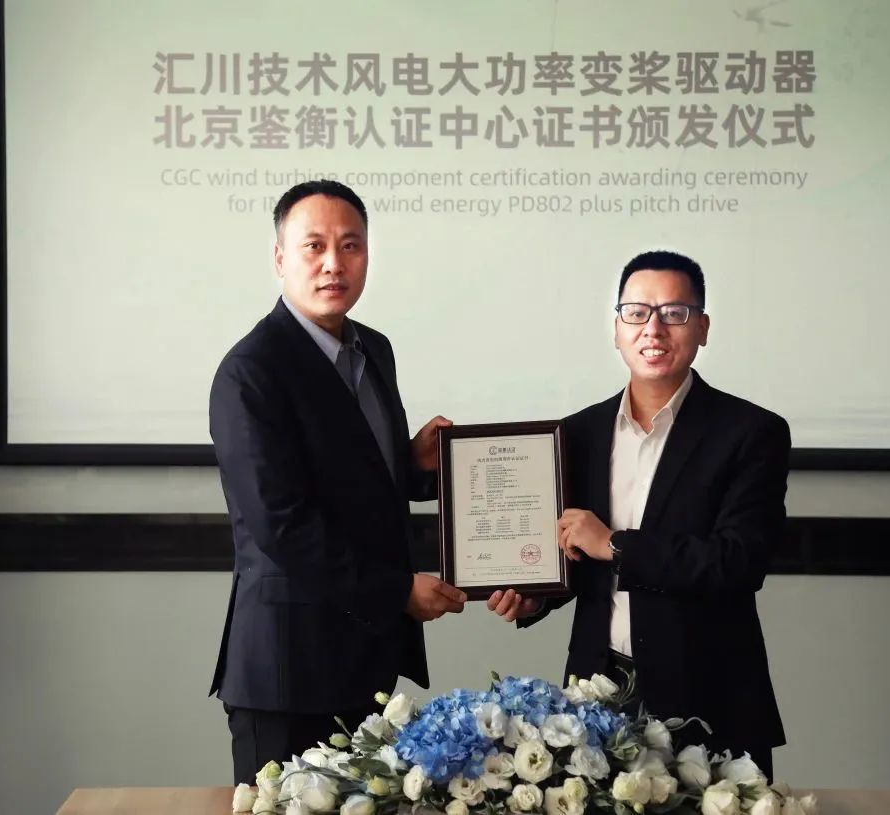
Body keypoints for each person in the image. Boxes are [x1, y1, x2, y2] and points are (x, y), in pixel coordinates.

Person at [487, 250, 789, 780]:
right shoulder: (577, 433)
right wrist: (538, 593)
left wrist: (615, 544)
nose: (654, 328)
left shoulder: (751, 432)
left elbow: (737, 560)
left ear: (702, 328)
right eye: (636, 312)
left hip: (710, 694)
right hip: (596, 697)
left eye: (674, 313)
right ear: (617, 329)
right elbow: (577, 554)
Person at [209, 179, 467, 785]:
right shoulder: (251, 371)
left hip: (367, 659)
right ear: (280, 258)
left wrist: (413, 465)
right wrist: (396, 591)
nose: (334, 263)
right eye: (314, 246)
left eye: (351, 246)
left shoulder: (373, 350)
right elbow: (281, 523)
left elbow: (352, 481)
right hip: (288, 670)